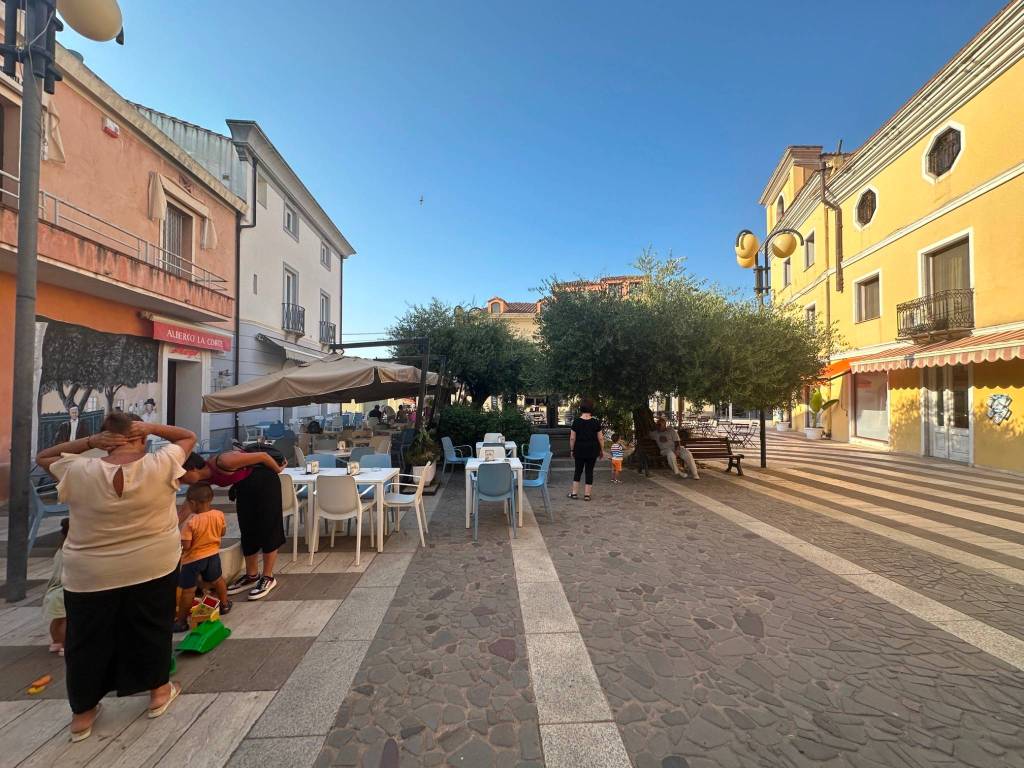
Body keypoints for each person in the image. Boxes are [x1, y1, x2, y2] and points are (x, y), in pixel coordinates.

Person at [36, 414, 196, 741]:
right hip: (152, 562)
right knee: (152, 626)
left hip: (91, 570)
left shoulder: (79, 469)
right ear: (141, 435)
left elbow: (43, 457)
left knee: (87, 640)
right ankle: (159, 693)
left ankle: (83, 714)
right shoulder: (160, 463)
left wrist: (89, 444)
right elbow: (187, 437)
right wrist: (153, 428)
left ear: (106, 437)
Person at [181, 448, 286, 601]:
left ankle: (268, 576)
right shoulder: (201, 480)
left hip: (265, 482)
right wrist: (173, 524)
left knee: (269, 526)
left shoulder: (223, 461)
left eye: (181, 476)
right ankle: (252, 575)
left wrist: (278, 469)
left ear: (192, 468)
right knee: (247, 528)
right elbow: (189, 503)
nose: (180, 481)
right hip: (244, 486)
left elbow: (263, 456)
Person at [175, 483, 230, 632]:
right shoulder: (218, 515)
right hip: (212, 555)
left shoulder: (191, 522)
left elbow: (186, 545)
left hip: (192, 560)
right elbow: (222, 532)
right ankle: (224, 604)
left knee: (188, 590)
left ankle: (181, 621)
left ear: (192, 503)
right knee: (217, 579)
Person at [42, 518, 70, 656]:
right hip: (64, 590)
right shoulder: (71, 550)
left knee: (56, 620)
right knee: (67, 620)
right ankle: (66, 644)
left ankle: (56, 642)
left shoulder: (59, 550)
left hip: (53, 590)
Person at [568, 399, 604, 501]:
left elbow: (572, 438)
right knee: (589, 471)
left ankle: (574, 493)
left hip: (579, 449)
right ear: (591, 408)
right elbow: (600, 438)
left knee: (578, 471)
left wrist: (571, 450)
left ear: (581, 408)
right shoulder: (596, 422)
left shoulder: (576, 421)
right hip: (592, 450)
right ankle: (587, 495)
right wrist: (601, 450)